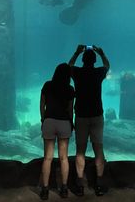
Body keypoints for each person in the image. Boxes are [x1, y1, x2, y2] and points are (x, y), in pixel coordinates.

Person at [68, 44, 110, 196]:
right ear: (94, 61)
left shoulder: (78, 73)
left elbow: (69, 66)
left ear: (83, 60)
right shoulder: (98, 72)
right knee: (99, 149)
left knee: (80, 150)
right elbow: (107, 65)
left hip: (81, 116)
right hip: (97, 115)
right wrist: (102, 53)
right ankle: (99, 183)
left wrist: (77, 52)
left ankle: (80, 184)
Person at [40, 63, 75, 200]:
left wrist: (43, 119)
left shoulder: (47, 85)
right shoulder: (70, 88)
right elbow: (70, 109)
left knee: (47, 158)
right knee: (63, 157)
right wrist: (70, 123)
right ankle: (64, 189)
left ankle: (45, 190)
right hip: (64, 123)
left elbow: (42, 104)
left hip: (49, 121)